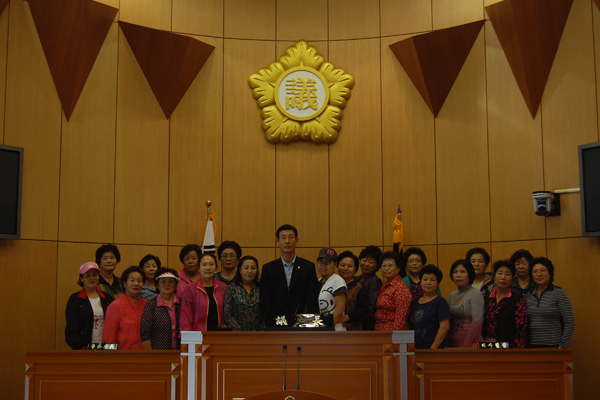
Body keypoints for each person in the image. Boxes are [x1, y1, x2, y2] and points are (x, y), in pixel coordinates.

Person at [260, 224, 319, 316]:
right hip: (276, 322)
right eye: (283, 238)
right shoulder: (268, 268)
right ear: (277, 241)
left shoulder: (308, 267)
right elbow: (265, 298)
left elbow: (311, 298)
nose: (287, 241)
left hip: (301, 321)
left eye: (290, 237)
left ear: (296, 241)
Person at [525, 257, 575, 348]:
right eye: (535, 271)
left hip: (553, 346)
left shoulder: (559, 293)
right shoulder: (528, 295)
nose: (539, 274)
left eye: (542, 270)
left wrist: (563, 347)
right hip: (531, 346)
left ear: (550, 273)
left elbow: (570, 322)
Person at [65, 262, 113, 350]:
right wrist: (82, 348)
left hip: (107, 348)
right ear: (81, 279)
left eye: (95, 275)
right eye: (87, 275)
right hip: (85, 349)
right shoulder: (75, 299)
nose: (92, 278)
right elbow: (72, 328)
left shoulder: (107, 298)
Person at [482, 260, 527, 348]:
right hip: (485, 346)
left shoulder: (517, 300)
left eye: (507, 274)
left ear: (512, 278)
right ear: (494, 276)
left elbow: (521, 329)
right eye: (500, 273)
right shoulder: (486, 299)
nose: (503, 277)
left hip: (507, 347)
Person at [103, 266, 147, 349]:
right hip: (123, 357)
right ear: (124, 283)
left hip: (145, 356)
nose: (136, 284)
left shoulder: (147, 304)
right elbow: (108, 338)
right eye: (132, 280)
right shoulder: (115, 306)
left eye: (139, 281)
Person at [181, 253, 227, 331]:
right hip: (198, 335)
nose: (208, 268)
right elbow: (186, 316)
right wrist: (187, 338)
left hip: (220, 336)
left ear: (216, 267)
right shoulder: (190, 289)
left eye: (211, 264)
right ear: (198, 268)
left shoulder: (223, 288)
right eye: (204, 265)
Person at [409, 265, 451, 349]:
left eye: (432, 280)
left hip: (433, 351)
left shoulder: (440, 302)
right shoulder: (415, 302)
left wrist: (433, 349)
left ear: (437, 284)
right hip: (415, 350)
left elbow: (445, 327)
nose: (428, 282)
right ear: (420, 282)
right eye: (425, 279)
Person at [141, 268, 181, 350]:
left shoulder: (183, 303)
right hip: (158, 354)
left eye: (171, 281)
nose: (167, 285)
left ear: (176, 285)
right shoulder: (151, 305)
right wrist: (150, 356)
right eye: (163, 281)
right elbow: (145, 333)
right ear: (157, 285)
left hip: (182, 352)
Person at [447, 259, 484, 347]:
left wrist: (465, 345)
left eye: (462, 272)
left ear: (470, 274)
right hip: (454, 344)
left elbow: (477, 321)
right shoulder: (452, 295)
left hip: (471, 345)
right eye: (455, 272)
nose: (458, 275)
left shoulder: (476, 293)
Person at [374, 251, 412, 331]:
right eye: (383, 265)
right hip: (380, 332)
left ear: (398, 268)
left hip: (392, 334)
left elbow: (400, 318)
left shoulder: (401, 287)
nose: (386, 268)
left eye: (390, 265)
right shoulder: (385, 285)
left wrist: (395, 339)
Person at [224, 255, 263, 331]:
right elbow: (228, 315)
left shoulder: (261, 288)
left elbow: (266, 312)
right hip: (237, 334)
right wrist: (239, 330)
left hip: (259, 334)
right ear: (240, 270)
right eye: (246, 268)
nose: (249, 271)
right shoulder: (231, 289)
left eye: (253, 268)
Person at [337, 251, 368, 331]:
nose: (345, 269)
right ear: (337, 267)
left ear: (355, 270)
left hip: (354, 329)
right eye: (342, 265)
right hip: (333, 328)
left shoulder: (359, 287)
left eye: (350, 266)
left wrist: (348, 317)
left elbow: (364, 309)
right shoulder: (332, 285)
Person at [316, 247, 347, 331]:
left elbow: (340, 308)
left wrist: (327, 327)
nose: (323, 264)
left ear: (335, 264)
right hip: (320, 331)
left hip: (335, 331)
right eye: (321, 261)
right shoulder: (317, 282)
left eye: (328, 262)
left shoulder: (337, 280)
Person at [356, 245, 383, 330]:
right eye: (364, 260)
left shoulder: (375, 281)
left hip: (365, 323)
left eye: (371, 262)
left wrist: (354, 319)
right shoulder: (355, 278)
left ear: (377, 265)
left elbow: (371, 307)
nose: (366, 264)